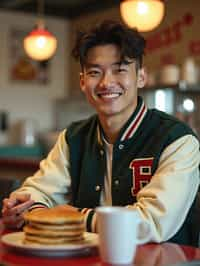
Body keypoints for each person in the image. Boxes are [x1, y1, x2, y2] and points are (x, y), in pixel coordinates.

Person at [2, 20, 200, 246]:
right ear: (83, 82)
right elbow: (36, 192)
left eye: (120, 70)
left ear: (141, 77)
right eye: (95, 72)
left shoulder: (177, 139)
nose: (107, 82)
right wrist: (24, 209)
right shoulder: (73, 137)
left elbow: (153, 222)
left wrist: (69, 216)